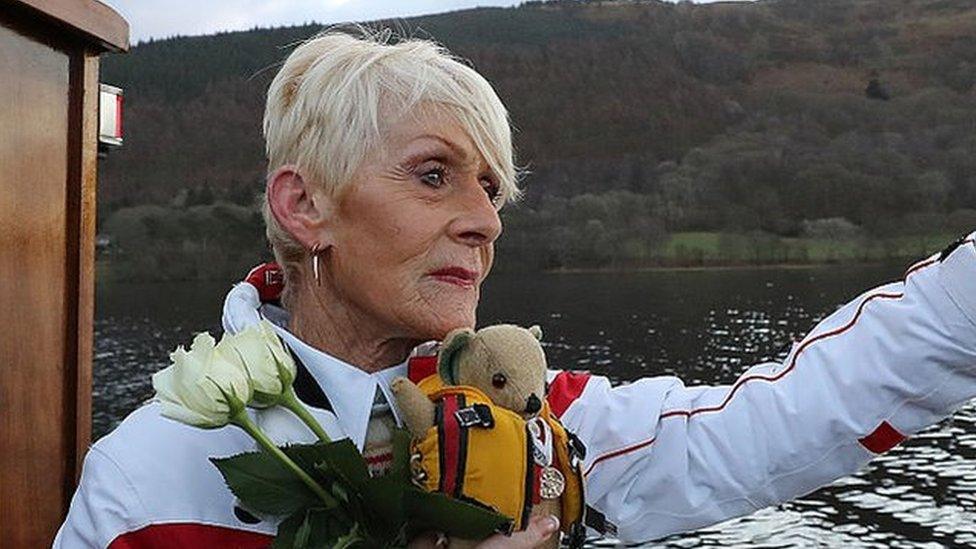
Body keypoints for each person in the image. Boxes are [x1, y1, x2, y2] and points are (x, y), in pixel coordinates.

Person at [55, 28, 976, 548]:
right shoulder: (147, 479)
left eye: (491, 188)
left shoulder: (543, 422)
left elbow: (785, 417)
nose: (485, 219)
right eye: (433, 174)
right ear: (304, 206)